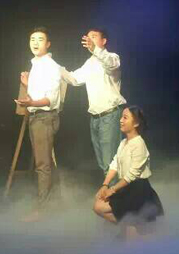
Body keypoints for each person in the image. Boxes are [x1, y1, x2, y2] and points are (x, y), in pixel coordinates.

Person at [61, 28, 126, 174]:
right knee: (102, 160)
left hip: (110, 114)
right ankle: (110, 187)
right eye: (88, 37)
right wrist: (56, 68)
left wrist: (95, 49)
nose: (90, 40)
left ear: (104, 41)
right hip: (95, 118)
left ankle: (113, 189)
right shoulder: (90, 62)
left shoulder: (112, 57)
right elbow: (74, 79)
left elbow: (110, 64)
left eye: (94, 37)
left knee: (110, 160)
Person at [93, 106, 164, 239]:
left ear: (136, 123)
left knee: (133, 240)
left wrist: (112, 190)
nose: (121, 120)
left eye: (125, 118)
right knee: (98, 206)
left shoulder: (139, 144)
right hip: (126, 188)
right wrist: (105, 185)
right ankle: (129, 228)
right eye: (121, 117)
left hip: (138, 190)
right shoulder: (123, 143)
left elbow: (132, 174)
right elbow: (115, 164)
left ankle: (136, 231)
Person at [15, 26, 62, 222]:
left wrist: (31, 102)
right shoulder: (36, 64)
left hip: (44, 117)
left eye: (40, 39)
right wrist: (28, 85)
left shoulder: (51, 66)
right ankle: (55, 203)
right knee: (44, 163)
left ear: (48, 44)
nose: (35, 42)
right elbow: (39, 92)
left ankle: (43, 210)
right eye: (32, 39)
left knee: (42, 165)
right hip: (37, 117)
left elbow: (51, 98)